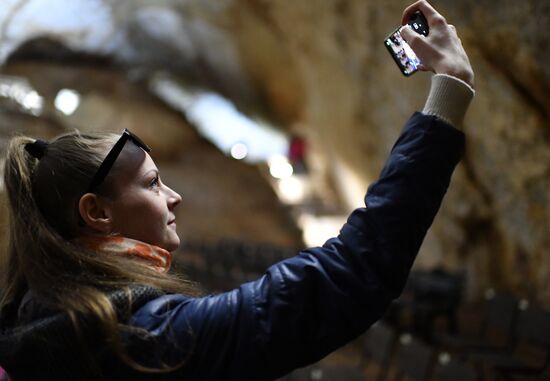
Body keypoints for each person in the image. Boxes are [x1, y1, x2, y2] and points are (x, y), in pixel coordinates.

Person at [0, 1, 474, 380]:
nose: (174, 197)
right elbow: (345, 277)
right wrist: (447, 95)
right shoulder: (143, 339)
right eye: (151, 184)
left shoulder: (35, 320)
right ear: (96, 213)